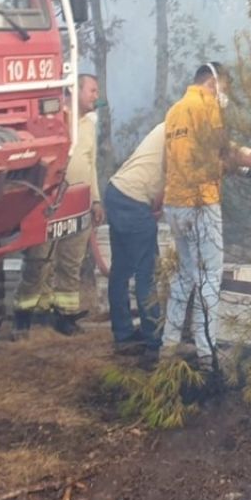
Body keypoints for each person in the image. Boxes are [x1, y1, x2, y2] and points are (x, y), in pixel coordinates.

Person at [162, 61, 251, 373]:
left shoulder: (175, 111)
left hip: (175, 203)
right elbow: (223, 150)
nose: (225, 94)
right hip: (202, 203)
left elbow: (184, 158)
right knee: (210, 278)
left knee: (185, 276)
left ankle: (168, 346)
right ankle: (207, 353)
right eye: (224, 87)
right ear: (212, 82)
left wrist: (241, 168)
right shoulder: (207, 105)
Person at [13, 74, 104, 337]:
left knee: (71, 262)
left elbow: (91, 165)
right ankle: (23, 318)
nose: (96, 96)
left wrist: (95, 200)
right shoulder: (52, 121)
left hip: (79, 205)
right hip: (48, 203)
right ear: (74, 92)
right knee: (38, 260)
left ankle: (65, 317)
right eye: (92, 90)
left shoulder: (89, 125)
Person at [104, 122, 165, 356]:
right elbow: (170, 177)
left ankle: (123, 335)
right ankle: (153, 340)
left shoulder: (163, 127)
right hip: (135, 199)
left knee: (121, 268)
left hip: (116, 190)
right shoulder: (183, 132)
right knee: (146, 271)